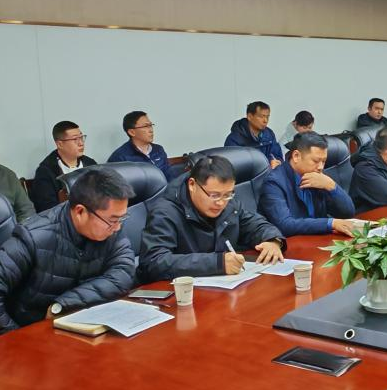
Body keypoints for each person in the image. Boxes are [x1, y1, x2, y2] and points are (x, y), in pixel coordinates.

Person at [0, 167, 137, 337]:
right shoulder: (34, 237)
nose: (118, 227)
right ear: (80, 212)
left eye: (122, 218)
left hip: (78, 329)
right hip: (34, 335)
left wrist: (63, 305)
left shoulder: (110, 228)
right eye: (113, 220)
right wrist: (15, 339)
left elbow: (123, 272)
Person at [138, 155, 285, 281]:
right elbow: (154, 262)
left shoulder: (229, 203)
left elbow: (255, 224)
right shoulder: (165, 212)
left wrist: (272, 240)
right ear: (192, 185)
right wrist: (217, 263)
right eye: (214, 195)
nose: (221, 203)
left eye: (228, 194)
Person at [259, 132, 361, 237]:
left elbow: (348, 213)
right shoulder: (274, 183)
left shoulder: (318, 176)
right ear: (296, 156)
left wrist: (332, 186)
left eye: (324, 161)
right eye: (316, 161)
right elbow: (285, 225)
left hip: (318, 238)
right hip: (292, 243)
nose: (321, 167)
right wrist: (331, 223)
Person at [28, 120, 98, 213]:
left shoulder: (90, 164)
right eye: (75, 139)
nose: (81, 143)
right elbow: (48, 209)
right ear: (60, 144)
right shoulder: (46, 171)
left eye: (81, 137)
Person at [108, 111, 180, 180]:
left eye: (151, 125)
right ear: (132, 132)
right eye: (146, 126)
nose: (151, 130)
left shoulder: (158, 149)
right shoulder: (120, 157)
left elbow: (170, 177)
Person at [224, 101, 283, 168]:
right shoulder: (234, 139)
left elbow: (277, 156)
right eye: (261, 117)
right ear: (249, 117)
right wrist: (266, 166)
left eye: (267, 117)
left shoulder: (269, 134)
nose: (265, 121)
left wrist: (273, 162)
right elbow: (232, 165)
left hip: (269, 173)